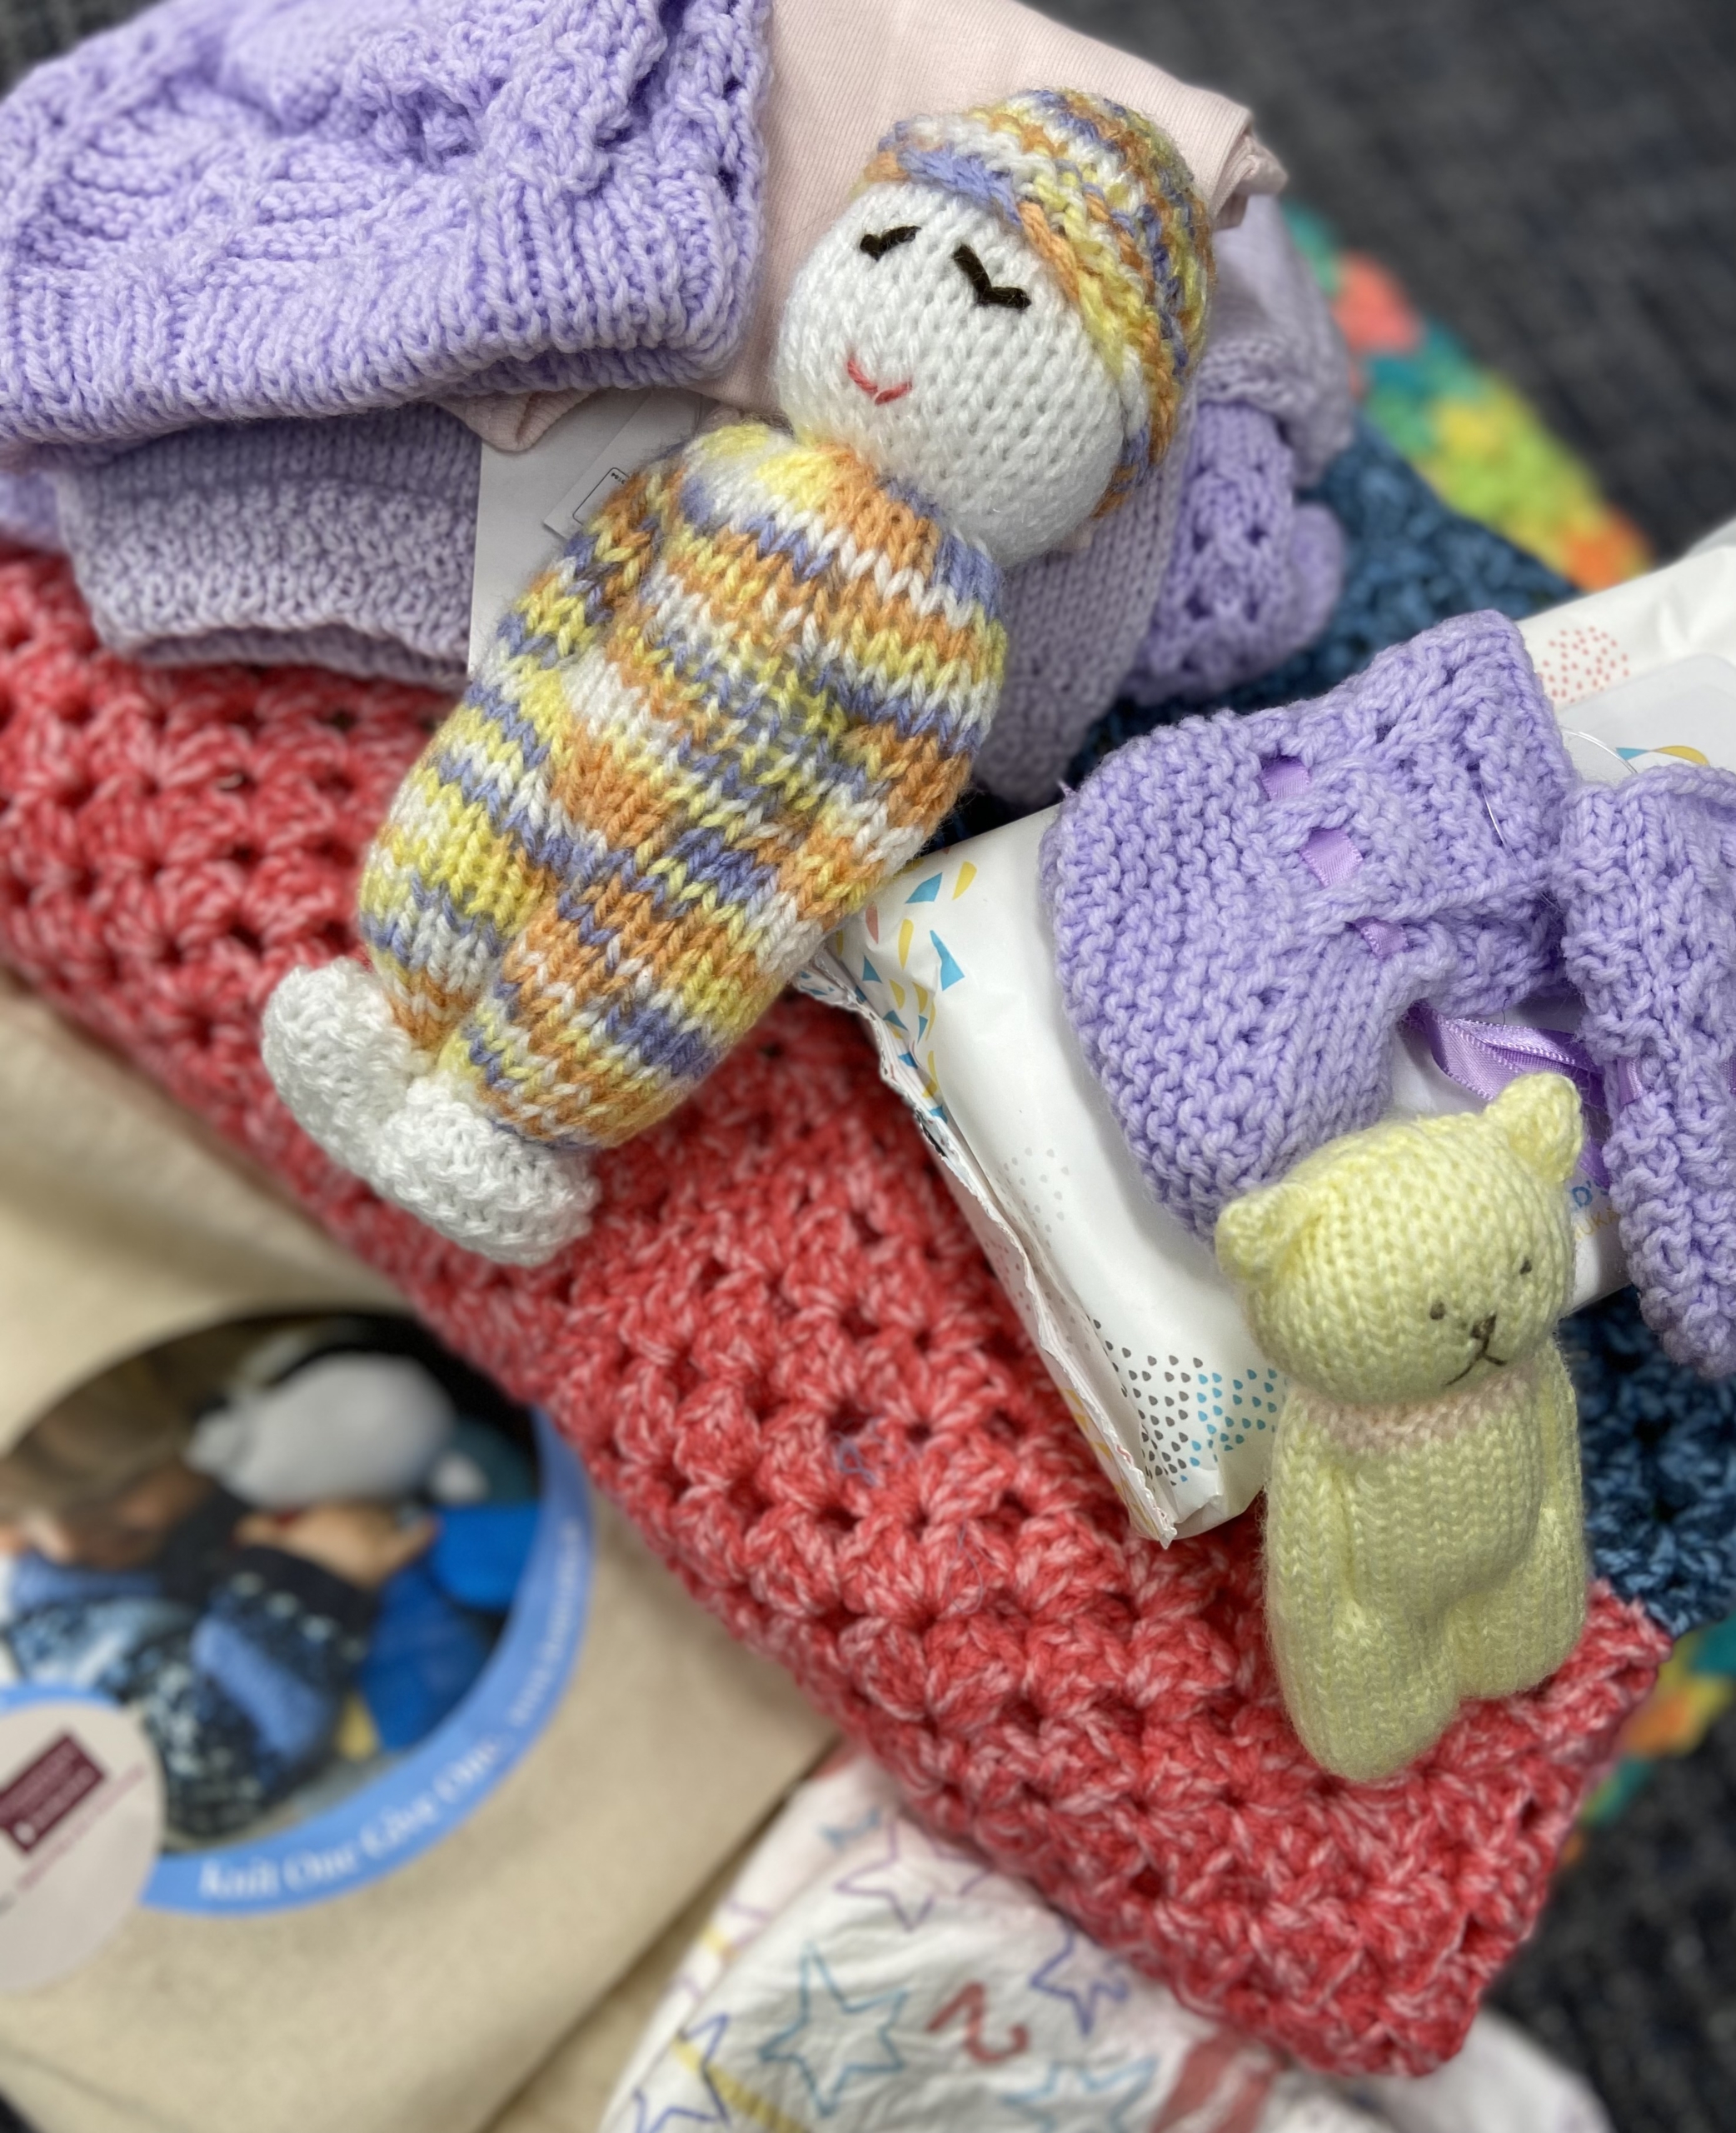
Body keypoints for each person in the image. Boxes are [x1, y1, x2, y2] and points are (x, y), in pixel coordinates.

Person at [0, 1351, 432, 1841]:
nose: (63, 1542)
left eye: (109, 1492)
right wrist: (308, 1581)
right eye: (17, 1517)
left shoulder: (270, 1434)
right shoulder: (61, 1617)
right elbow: (187, 1779)